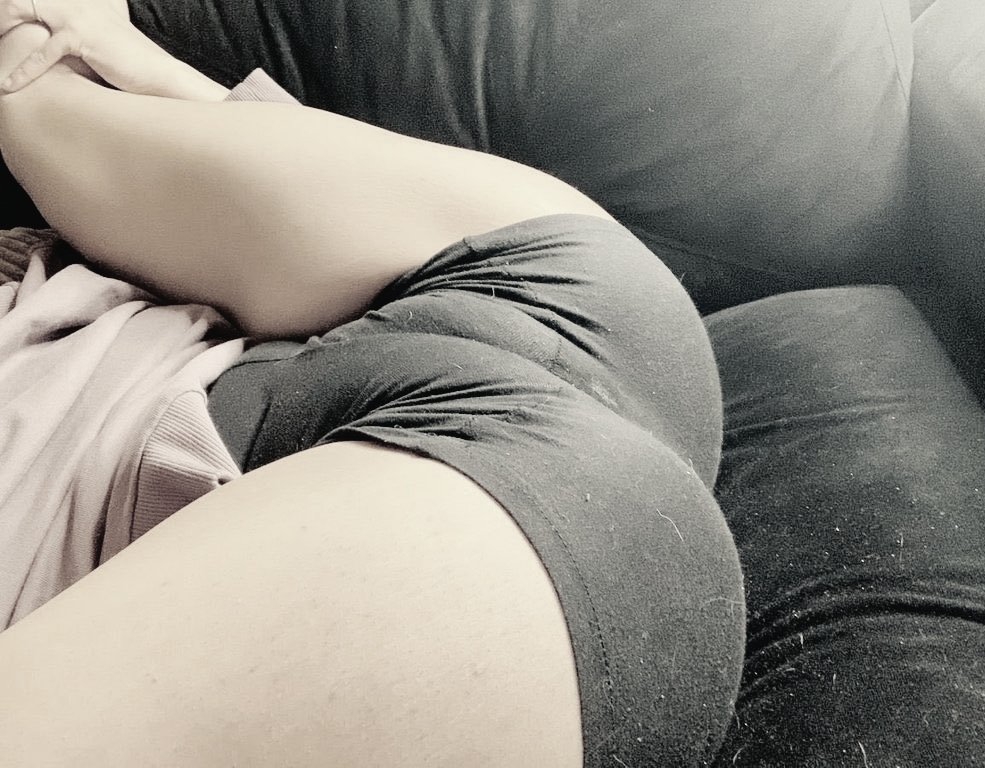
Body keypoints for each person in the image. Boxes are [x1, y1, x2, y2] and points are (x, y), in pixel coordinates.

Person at [0, 2, 745, 766]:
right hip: (488, 522)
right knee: (37, 97)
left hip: (549, 306)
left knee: (36, 97)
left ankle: (70, 66)